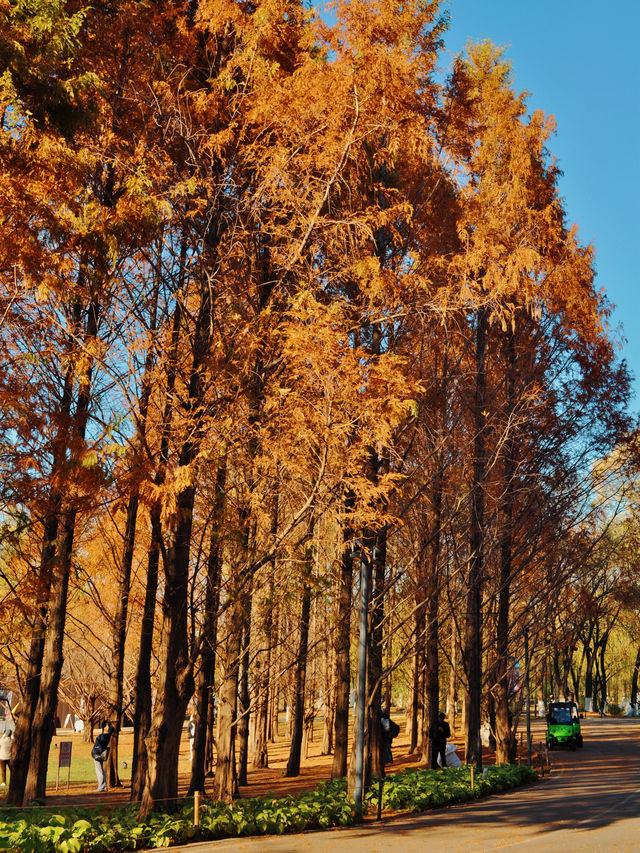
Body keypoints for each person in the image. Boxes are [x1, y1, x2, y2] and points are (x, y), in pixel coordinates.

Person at [91, 721, 114, 792]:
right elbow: (103, 726)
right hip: (100, 754)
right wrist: (105, 720)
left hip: (98, 754)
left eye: (106, 726)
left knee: (99, 771)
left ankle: (101, 786)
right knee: (101, 770)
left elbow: (100, 743)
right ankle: (104, 786)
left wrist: (94, 752)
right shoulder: (105, 735)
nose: (104, 727)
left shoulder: (104, 736)